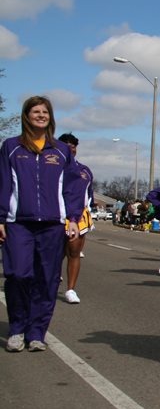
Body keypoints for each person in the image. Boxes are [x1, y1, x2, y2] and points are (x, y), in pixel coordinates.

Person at [0, 96, 82, 352]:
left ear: (50, 117)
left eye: (45, 111)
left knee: (46, 279)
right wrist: (0, 217)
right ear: (26, 116)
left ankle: (36, 333)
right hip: (18, 223)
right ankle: (17, 328)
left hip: (52, 224)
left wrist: (73, 219)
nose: (41, 115)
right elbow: (3, 183)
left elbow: (71, 186)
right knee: (17, 275)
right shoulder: (11, 147)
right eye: (35, 111)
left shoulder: (61, 150)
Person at [59, 133, 93, 304]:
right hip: (54, 216)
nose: (70, 149)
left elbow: (88, 195)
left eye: (73, 146)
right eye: (66, 145)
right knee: (54, 254)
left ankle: (70, 290)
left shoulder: (85, 170)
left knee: (74, 252)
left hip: (76, 217)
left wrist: (87, 210)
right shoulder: (51, 165)